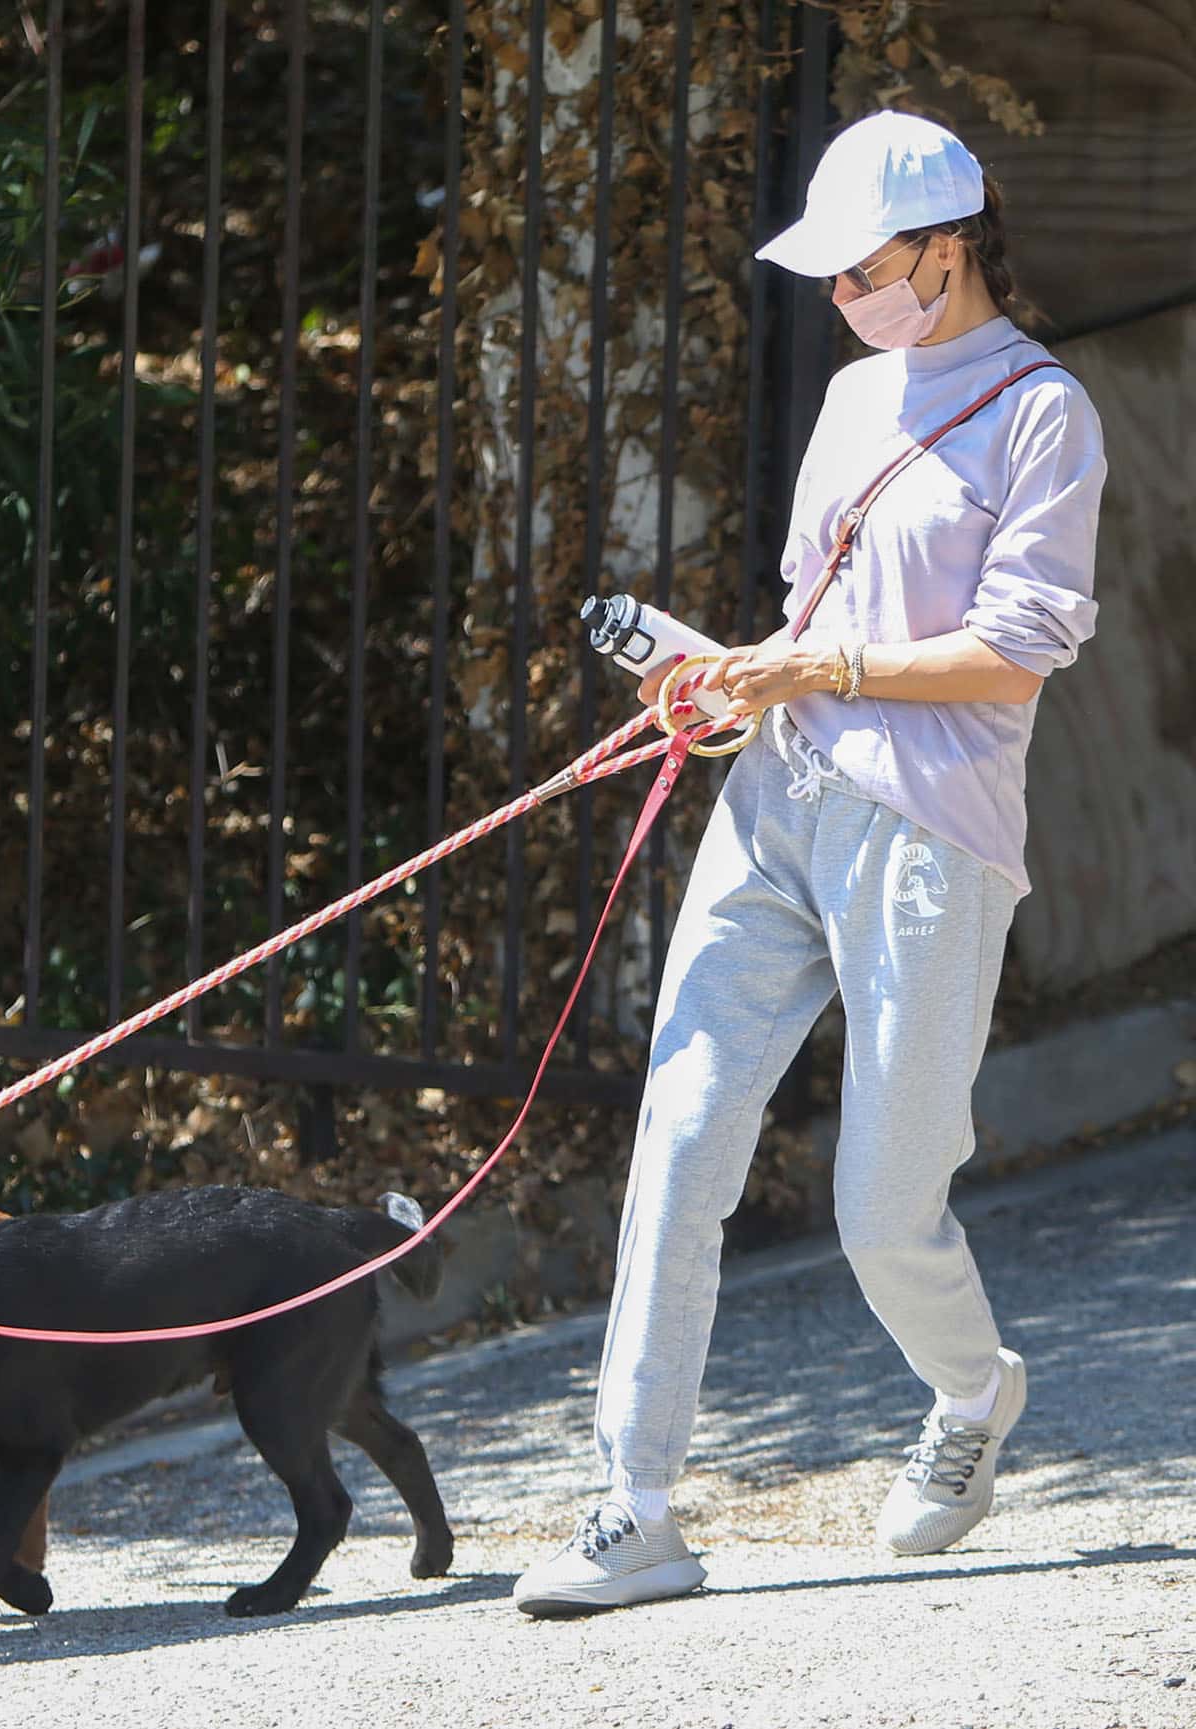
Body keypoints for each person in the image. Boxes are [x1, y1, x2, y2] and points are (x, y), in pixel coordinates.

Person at [512, 110, 1108, 1615]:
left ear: (949, 249)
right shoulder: (852, 397)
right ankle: (634, 1505)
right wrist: (733, 677)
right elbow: (805, 620)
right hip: (775, 801)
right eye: (831, 277)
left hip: (930, 840)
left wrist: (816, 665)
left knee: (883, 1209)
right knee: (682, 1136)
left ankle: (974, 1395)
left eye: (867, 271)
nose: (846, 297)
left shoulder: (1047, 412)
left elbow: (1018, 652)